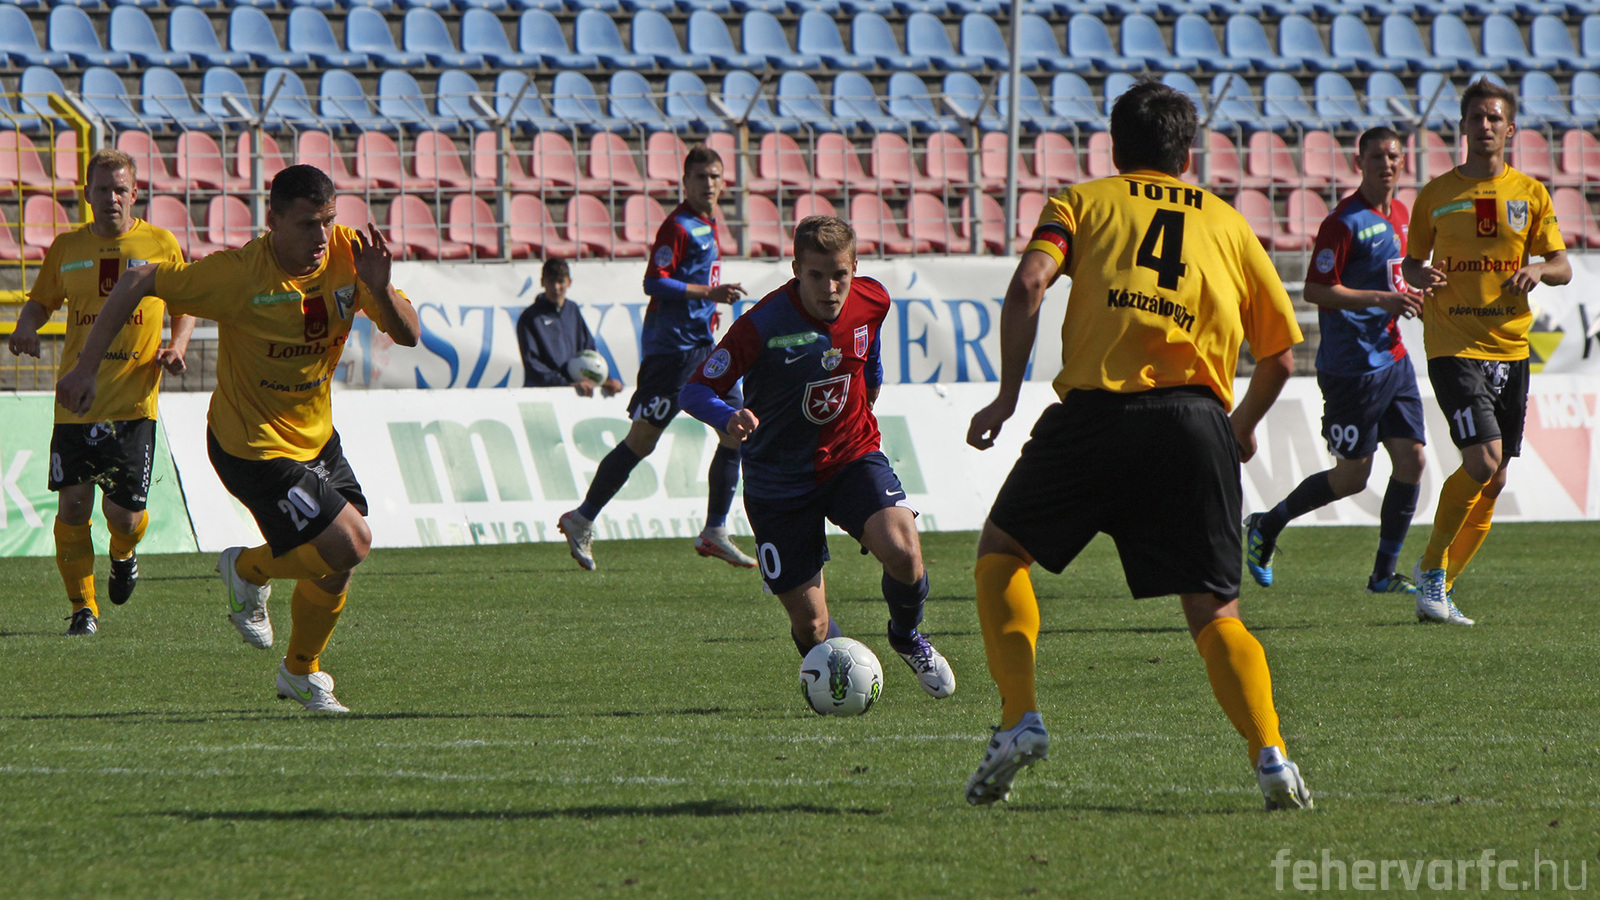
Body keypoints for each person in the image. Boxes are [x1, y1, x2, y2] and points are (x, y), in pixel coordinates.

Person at [962, 81, 1311, 810]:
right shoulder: (1228, 223)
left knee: (1002, 553)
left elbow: (1028, 285)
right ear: (1188, 153)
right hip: (1194, 423)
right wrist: (1239, 428)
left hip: (1094, 417)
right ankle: (1271, 756)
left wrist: (1006, 395)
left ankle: (1018, 717)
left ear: (1114, 147)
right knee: (1215, 614)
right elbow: (1281, 356)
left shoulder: (1081, 203)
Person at [56, 165, 420, 712]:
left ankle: (300, 671)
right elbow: (136, 281)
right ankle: (247, 570)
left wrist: (381, 287)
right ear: (273, 220)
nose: (322, 236)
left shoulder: (350, 256)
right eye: (307, 224)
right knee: (352, 542)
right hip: (249, 445)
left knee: (337, 564)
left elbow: (408, 334)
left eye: (328, 220)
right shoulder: (239, 274)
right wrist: (85, 368)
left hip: (316, 439)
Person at [679, 215, 955, 701]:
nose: (830, 288)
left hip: (850, 455)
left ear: (854, 268)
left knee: (905, 553)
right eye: (816, 275)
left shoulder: (873, 300)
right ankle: (840, 677)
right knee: (811, 626)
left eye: (839, 274)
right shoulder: (762, 324)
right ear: (796, 270)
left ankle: (907, 636)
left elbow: (868, 349)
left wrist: (871, 386)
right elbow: (696, 389)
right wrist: (727, 416)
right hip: (778, 480)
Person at [1401, 79, 1570, 626]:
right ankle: (1431, 570)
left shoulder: (1531, 193)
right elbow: (1411, 264)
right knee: (1482, 461)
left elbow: (1562, 266)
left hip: (1511, 347)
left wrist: (1539, 269)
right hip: (1453, 342)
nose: (1485, 126)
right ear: (1463, 127)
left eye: (1495, 118)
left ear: (1510, 128)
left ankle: (1441, 586)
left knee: (1495, 479)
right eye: (1476, 117)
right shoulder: (1435, 194)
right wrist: (1419, 275)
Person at [6, 148, 192, 636]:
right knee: (72, 506)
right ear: (87, 193)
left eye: (120, 189)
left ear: (135, 193)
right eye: (102, 189)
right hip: (77, 402)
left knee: (124, 517)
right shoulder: (67, 248)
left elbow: (184, 302)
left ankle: (123, 554)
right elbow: (41, 302)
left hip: (133, 403)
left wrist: (177, 345)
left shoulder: (160, 243)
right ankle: (82, 608)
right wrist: (26, 326)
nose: (111, 198)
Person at [1244, 127, 1428, 596]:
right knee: (1351, 477)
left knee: (1412, 460)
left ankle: (1383, 575)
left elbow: (1395, 276)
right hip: (1352, 368)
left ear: (1403, 162)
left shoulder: (1402, 214)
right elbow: (1316, 289)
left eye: (1393, 156)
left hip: (1394, 357)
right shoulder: (1343, 222)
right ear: (1358, 163)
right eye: (1376, 157)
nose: (1386, 164)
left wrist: (1417, 290)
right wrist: (1382, 299)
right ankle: (1268, 523)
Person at [558, 145, 755, 571]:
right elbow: (654, 282)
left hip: (702, 347)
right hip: (672, 354)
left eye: (715, 176)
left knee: (736, 429)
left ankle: (715, 530)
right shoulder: (678, 226)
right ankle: (581, 518)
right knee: (642, 441)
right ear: (685, 182)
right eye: (700, 177)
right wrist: (708, 293)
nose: (709, 184)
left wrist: (707, 309)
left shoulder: (708, 223)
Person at [514, 257, 623, 397]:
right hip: (543, 394)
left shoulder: (572, 310)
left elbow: (588, 352)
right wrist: (565, 384)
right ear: (542, 282)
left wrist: (604, 380)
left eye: (560, 281)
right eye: (551, 281)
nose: (556, 287)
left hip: (575, 392)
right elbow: (533, 365)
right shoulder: (530, 317)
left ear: (569, 282)